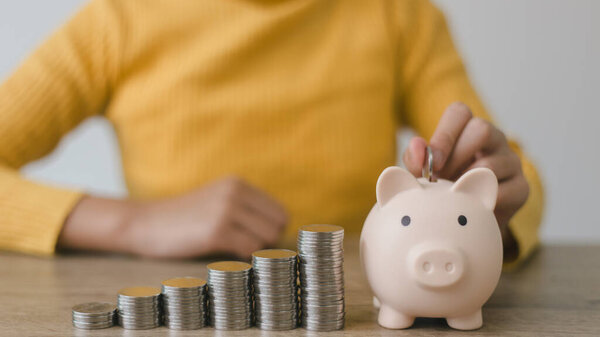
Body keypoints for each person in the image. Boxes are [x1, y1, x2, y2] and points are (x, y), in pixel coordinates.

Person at [0, 0, 543, 268]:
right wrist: (132, 223)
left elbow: (516, 176)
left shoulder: (395, 14)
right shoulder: (115, 23)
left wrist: (496, 204)